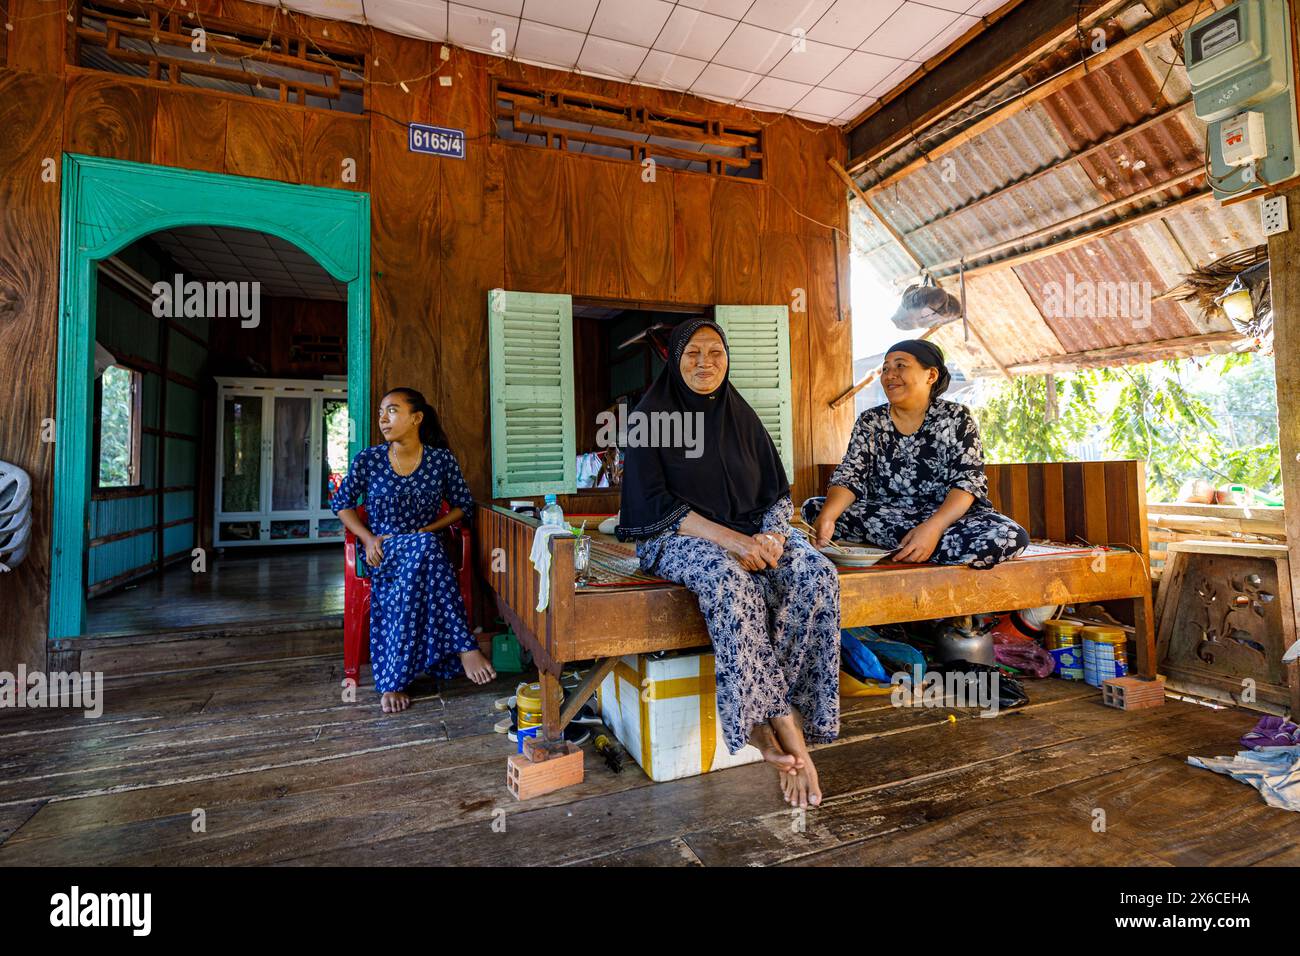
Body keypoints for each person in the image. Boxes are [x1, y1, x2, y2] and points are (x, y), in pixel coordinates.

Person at [617, 320, 840, 808]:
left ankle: (792, 709)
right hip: (674, 537)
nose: (705, 362)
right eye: (692, 352)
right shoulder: (649, 418)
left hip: (752, 535)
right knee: (729, 580)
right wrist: (735, 543)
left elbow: (777, 493)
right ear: (674, 359)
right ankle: (770, 723)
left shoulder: (741, 416)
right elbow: (652, 506)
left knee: (815, 574)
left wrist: (774, 537)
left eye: (715, 352)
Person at [332, 387, 495, 713]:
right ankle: (465, 647)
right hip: (384, 551)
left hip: (427, 549)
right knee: (426, 550)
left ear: (416, 418)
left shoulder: (440, 460)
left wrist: (427, 529)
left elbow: (463, 506)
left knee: (425, 547)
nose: (383, 418)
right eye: (381, 411)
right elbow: (342, 504)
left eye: (392, 410)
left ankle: (395, 680)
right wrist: (367, 538)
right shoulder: (370, 459)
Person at [804, 339, 1029, 569]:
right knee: (816, 509)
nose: (889, 375)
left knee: (1010, 536)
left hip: (947, 519)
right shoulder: (871, 421)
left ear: (930, 375)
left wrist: (932, 528)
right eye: (885, 368)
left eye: (900, 365)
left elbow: (967, 483)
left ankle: (909, 545)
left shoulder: (956, 417)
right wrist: (829, 517)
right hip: (889, 515)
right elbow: (851, 475)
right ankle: (915, 546)